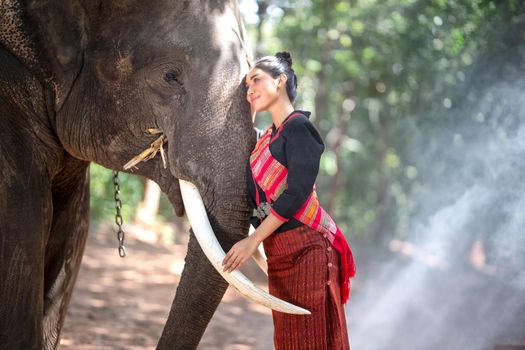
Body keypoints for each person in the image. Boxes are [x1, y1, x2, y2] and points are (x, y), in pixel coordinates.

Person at [222, 51, 356, 350]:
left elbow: (296, 195)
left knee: (311, 338)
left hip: (308, 248)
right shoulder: (266, 138)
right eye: (246, 85)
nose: (250, 90)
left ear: (280, 81)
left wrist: (252, 240)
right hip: (280, 253)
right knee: (289, 340)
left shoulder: (299, 129)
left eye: (256, 80)